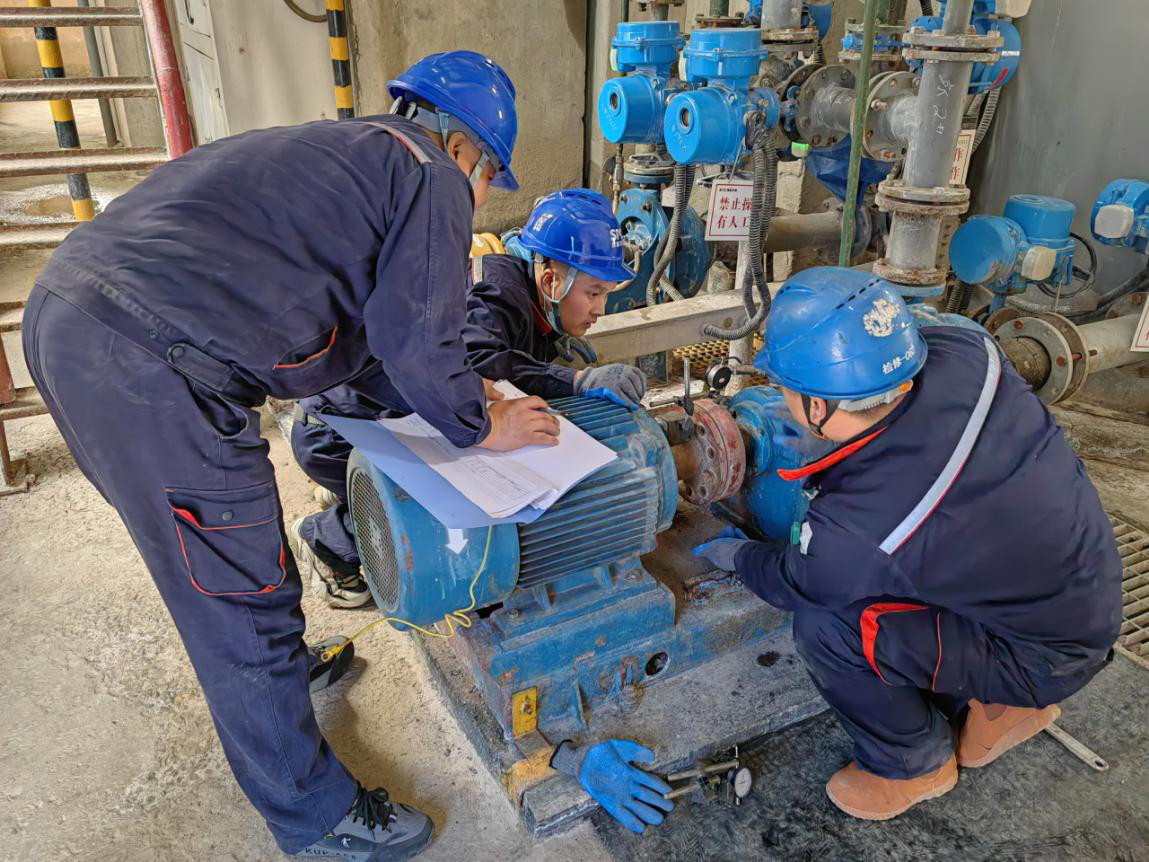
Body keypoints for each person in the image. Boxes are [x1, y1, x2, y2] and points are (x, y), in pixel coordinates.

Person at [24, 50, 561, 861]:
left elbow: (376, 344)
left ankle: (271, 681)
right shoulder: (432, 176)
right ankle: (315, 818)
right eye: (489, 178)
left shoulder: (350, 158)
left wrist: (468, 389)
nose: (479, 197)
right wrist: (485, 427)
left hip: (74, 319)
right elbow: (417, 343)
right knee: (238, 596)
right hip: (147, 369)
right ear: (465, 149)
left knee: (218, 566)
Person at [693, 267, 1122, 821]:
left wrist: (740, 555)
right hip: (1086, 594)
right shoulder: (971, 353)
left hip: (1042, 656)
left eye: (783, 388)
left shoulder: (855, 527)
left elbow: (798, 582)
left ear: (818, 407)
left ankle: (912, 764)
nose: (780, 394)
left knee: (828, 627)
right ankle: (1001, 710)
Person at [290, 188, 648, 608]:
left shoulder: (526, 293)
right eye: (594, 293)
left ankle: (345, 492)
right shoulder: (495, 295)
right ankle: (327, 540)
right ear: (551, 281)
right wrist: (575, 380)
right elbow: (480, 362)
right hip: (335, 434)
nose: (601, 309)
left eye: (606, 293)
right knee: (445, 503)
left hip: (361, 413)